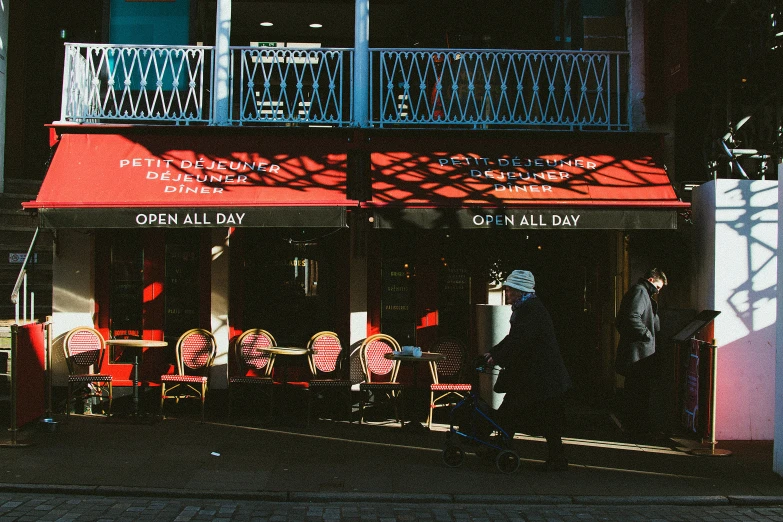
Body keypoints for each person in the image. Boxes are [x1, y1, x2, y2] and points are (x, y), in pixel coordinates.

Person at [483, 269, 572, 472]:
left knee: (516, 411)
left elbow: (520, 340)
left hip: (540, 375)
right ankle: (553, 457)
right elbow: (514, 338)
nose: (506, 293)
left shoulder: (530, 310)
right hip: (539, 375)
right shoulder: (527, 307)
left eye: (509, 290)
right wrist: (494, 352)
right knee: (524, 413)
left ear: (519, 291)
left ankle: (502, 448)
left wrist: (496, 356)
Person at [615, 268, 667, 439]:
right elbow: (632, 317)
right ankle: (636, 427)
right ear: (651, 280)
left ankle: (634, 426)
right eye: (658, 287)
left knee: (636, 390)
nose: (658, 291)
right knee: (638, 391)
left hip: (639, 352)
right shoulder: (640, 292)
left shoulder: (641, 291)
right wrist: (647, 335)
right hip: (639, 353)